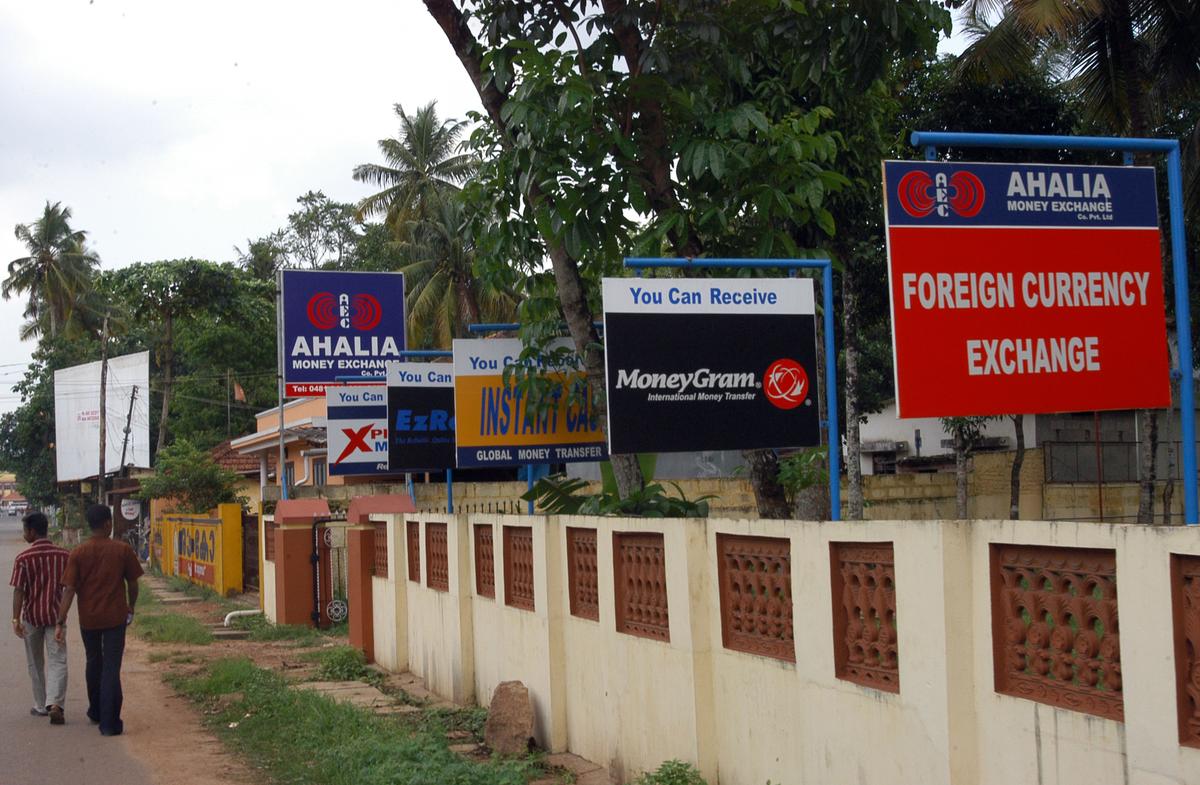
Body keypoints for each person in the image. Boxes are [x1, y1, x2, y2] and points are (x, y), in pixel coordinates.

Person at [56, 504, 143, 736]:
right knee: (111, 668)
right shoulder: (122, 550)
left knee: (93, 662)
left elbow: (69, 589)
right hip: (115, 618)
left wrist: (60, 620)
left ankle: (95, 710)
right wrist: (131, 606)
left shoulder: (78, 553)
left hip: (89, 620)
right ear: (107, 524)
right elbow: (133, 583)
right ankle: (109, 722)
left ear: (89, 525)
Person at [9, 510, 70, 724]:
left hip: (31, 618)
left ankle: (40, 705)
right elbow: (69, 587)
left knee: (35, 663)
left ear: (32, 531)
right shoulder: (64, 555)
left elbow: (19, 590)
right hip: (56, 617)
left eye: (25, 530)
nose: (24, 534)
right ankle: (55, 703)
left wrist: (15, 619)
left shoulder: (24, 558)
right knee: (58, 660)